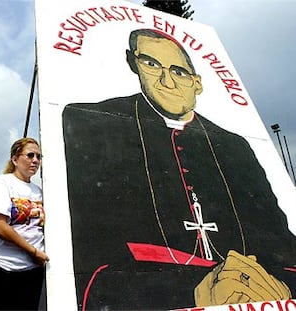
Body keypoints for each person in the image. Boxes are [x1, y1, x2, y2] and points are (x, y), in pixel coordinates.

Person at [62, 28, 296, 310]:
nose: (167, 80)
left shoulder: (235, 146)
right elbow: (87, 256)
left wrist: (278, 286)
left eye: (179, 72)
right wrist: (192, 293)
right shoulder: (91, 123)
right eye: (151, 64)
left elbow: (281, 244)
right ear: (132, 64)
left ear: (197, 83)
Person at [0, 137, 49, 310]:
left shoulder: (39, 191)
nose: (35, 160)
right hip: (1, 267)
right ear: (15, 159)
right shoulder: (2, 183)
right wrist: (32, 251)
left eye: (39, 157)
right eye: (30, 155)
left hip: (31, 271)